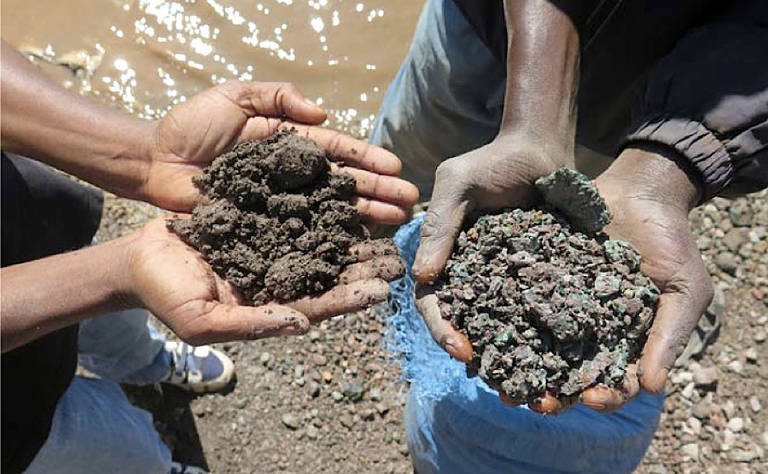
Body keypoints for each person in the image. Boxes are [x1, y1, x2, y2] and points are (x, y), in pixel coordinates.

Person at [371, 0, 768, 472]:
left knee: (572, 201)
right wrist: (534, 122)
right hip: (485, 29)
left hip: (646, 103)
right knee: (395, 174)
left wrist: (671, 167)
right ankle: (379, 261)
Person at [0, 40, 419, 474]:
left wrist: (147, 155)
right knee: (104, 450)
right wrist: (119, 274)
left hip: (22, 222)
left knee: (115, 331)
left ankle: (150, 364)